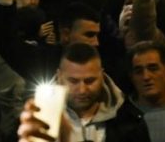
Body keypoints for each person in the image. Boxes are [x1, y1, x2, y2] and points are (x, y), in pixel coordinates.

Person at [21, 43, 150, 142]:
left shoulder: (130, 121)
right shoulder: (37, 118)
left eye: (89, 81)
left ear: (102, 76)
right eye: (73, 81)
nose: (82, 90)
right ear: (59, 76)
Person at [128, 41, 165, 142]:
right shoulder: (119, 119)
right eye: (139, 71)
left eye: (153, 68)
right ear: (131, 78)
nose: (146, 76)